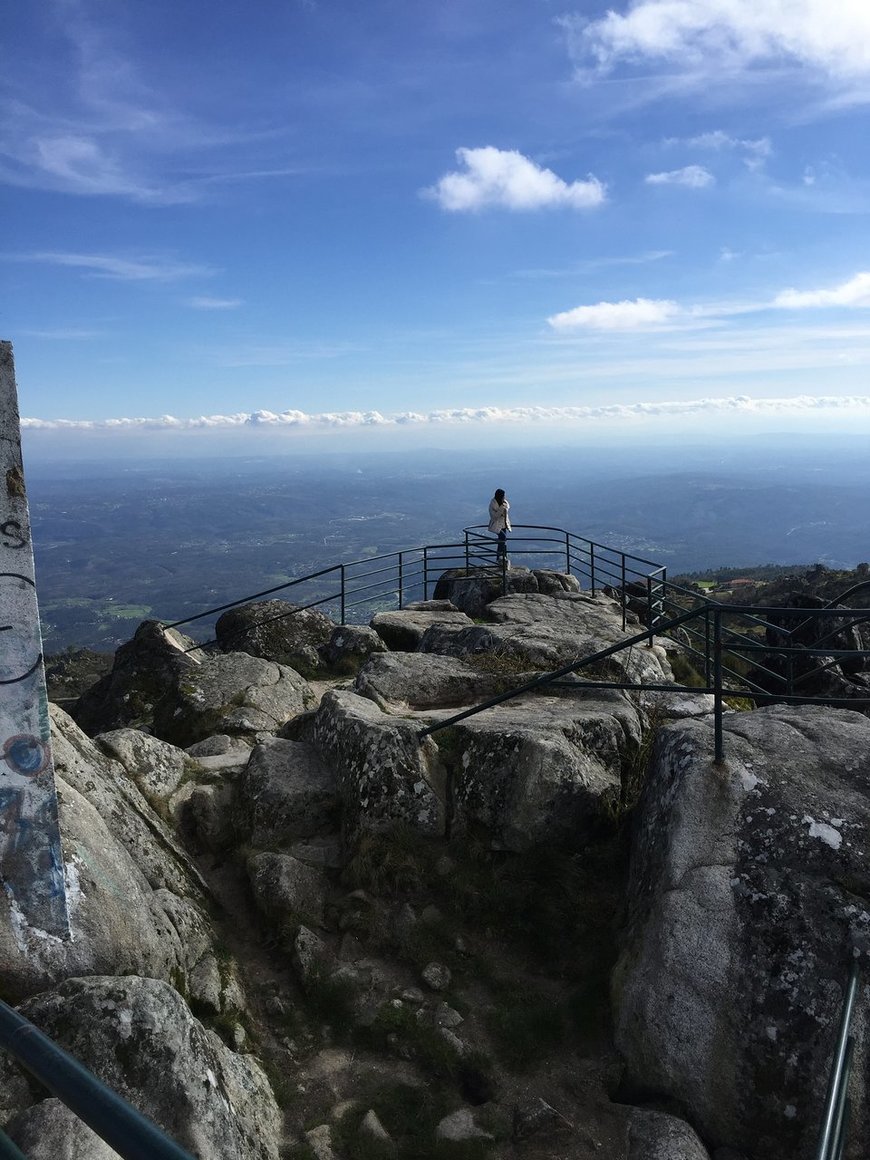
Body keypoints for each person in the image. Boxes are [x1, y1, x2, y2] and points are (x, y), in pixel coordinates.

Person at [488, 488, 511, 564]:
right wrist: (501, 509)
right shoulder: (492, 504)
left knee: (502, 541)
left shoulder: (505, 503)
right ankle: (501, 557)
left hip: (504, 524)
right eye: (503, 496)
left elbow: (506, 511)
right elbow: (494, 516)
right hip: (496, 525)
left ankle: (501, 558)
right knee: (503, 538)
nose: (504, 497)